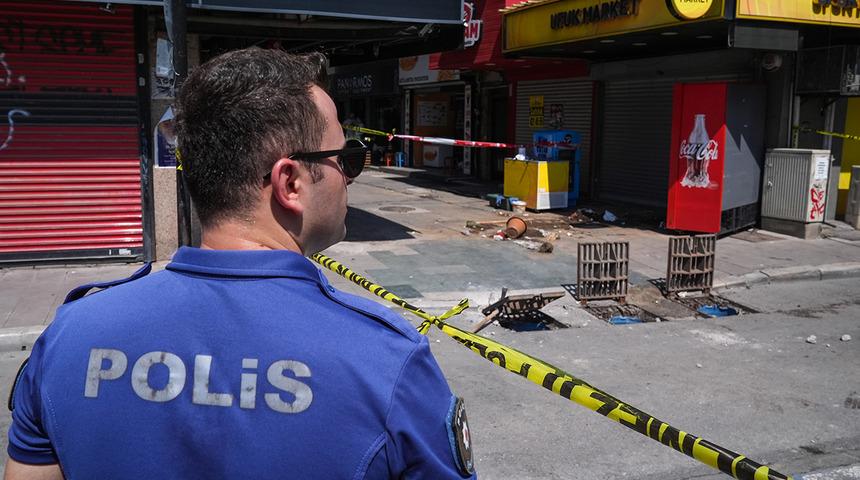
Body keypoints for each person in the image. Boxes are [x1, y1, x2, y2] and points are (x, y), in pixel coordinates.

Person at [5, 48, 475, 480]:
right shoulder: (388, 362)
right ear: (290, 183)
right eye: (346, 158)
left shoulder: (72, 335)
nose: (350, 177)